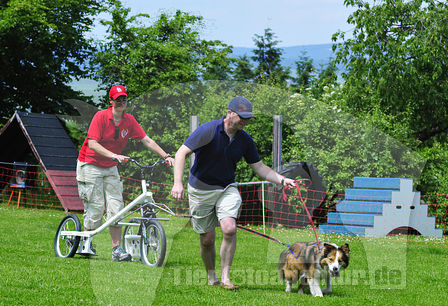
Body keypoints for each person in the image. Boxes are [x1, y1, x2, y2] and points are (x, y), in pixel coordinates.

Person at [171, 96, 295, 289]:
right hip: (200, 188)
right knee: (207, 240)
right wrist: (177, 183)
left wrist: (282, 179)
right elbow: (181, 153)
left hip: (227, 188)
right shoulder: (208, 130)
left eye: (247, 118)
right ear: (229, 113)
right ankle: (212, 277)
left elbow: (260, 167)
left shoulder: (244, 140)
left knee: (229, 228)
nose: (245, 121)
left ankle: (226, 277)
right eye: (242, 117)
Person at [77, 84, 175, 261]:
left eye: (124, 99)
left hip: (110, 166)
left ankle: (116, 250)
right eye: (118, 99)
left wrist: (166, 156)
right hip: (89, 164)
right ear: (111, 100)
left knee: (117, 208)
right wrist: (114, 155)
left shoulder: (129, 120)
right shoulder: (100, 117)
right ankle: (86, 241)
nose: (121, 102)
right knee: (96, 207)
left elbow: (146, 140)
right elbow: (92, 144)